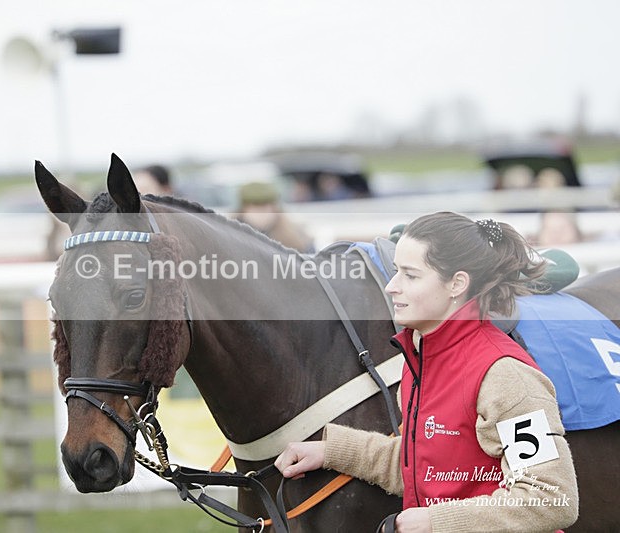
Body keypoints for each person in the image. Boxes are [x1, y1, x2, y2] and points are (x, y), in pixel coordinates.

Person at [275, 212, 579, 532]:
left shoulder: (505, 376)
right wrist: (331, 450)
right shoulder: (420, 356)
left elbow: (551, 496)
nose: (392, 287)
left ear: (457, 284)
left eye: (411, 275)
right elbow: (422, 464)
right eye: (395, 272)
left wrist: (437, 522)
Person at [235, 181, 314, 253]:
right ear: (243, 210)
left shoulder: (297, 237)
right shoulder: (231, 235)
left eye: (265, 208)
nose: (261, 214)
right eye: (255, 207)